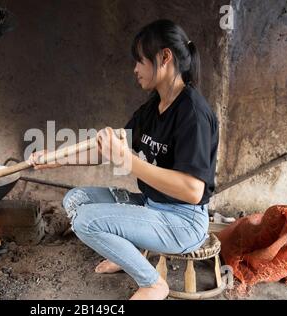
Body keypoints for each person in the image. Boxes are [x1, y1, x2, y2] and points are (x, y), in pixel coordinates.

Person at [29, 19, 219, 300]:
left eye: (140, 61)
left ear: (164, 57)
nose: (135, 69)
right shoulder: (152, 108)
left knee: (86, 222)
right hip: (153, 207)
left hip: (183, 222)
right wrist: (56, 159)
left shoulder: (193, 112)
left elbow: (193, 191)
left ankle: (153, 283)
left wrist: (128, 161)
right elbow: (105, 150)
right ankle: (124, 253)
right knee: (75, 199)